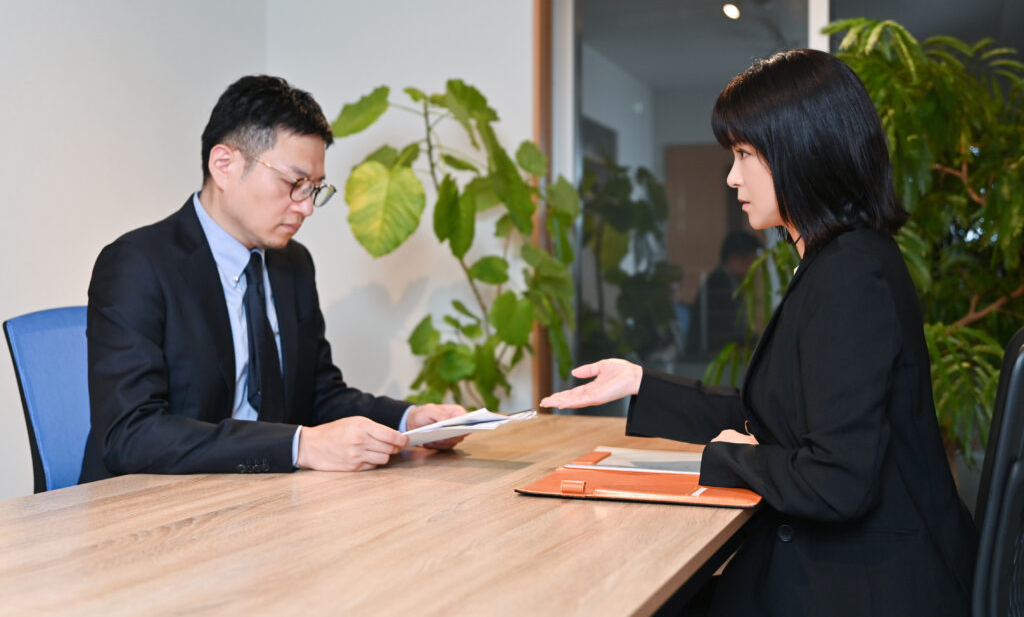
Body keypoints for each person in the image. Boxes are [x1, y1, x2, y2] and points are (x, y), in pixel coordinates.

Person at [542, 49, 977, 616]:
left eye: (746, 153)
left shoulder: (850, 274)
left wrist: (729, 458)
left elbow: (836, 481)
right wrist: (641, 384)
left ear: (804, 150)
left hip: (866, 586)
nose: (731, 175)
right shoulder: (842, 259)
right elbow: (773, 416)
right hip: (855, 567)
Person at [80, 75, 466, 482]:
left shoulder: (292, 264)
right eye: (294, 184)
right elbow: (131, 434)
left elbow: (318, 394)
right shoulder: (138, 265)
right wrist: (298, 446)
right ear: (224, 165)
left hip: (261, 501)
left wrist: (411, 421)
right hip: (149, 512)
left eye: (315, 189)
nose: (306, 207)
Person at [686, 230, 761, 355]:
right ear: (734, 259)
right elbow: (727, 332)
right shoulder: (719, 286)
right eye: (750, 262)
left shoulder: (725, 283)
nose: (754, 269)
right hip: (707, 358)